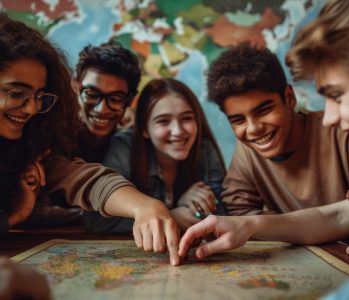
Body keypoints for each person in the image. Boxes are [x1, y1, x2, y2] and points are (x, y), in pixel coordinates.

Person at [0, 13, 180, 265]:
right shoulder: (48, 132)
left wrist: (146, 206)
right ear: (76, 88)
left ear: (128, 102)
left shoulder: (30, 144)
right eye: (17, 93)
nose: (30, 109)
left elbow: (80, 177)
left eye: (116, 99)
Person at [178, 0, 349, 259]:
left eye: (263, 110)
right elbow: (239, 213)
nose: (253, 129)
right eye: (237, 120)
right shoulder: (247, 153)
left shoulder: (341, 133)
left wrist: (263, 222)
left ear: (289, 98)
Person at [84, 78, 226, 233]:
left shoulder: (204, 149)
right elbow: (96, 221)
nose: (178, 131)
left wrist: (188, 209)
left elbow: (223, 212)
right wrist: (171, 215)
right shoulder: (124, 147)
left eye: (186, 118)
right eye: (164, 121)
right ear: (144, 128)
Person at [75, 41, 141, 163]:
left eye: (116, 99)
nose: (101, 109)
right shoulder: (53, 135)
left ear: (130, 100)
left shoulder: (132, 143)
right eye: (92, 94)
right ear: (76, 88)